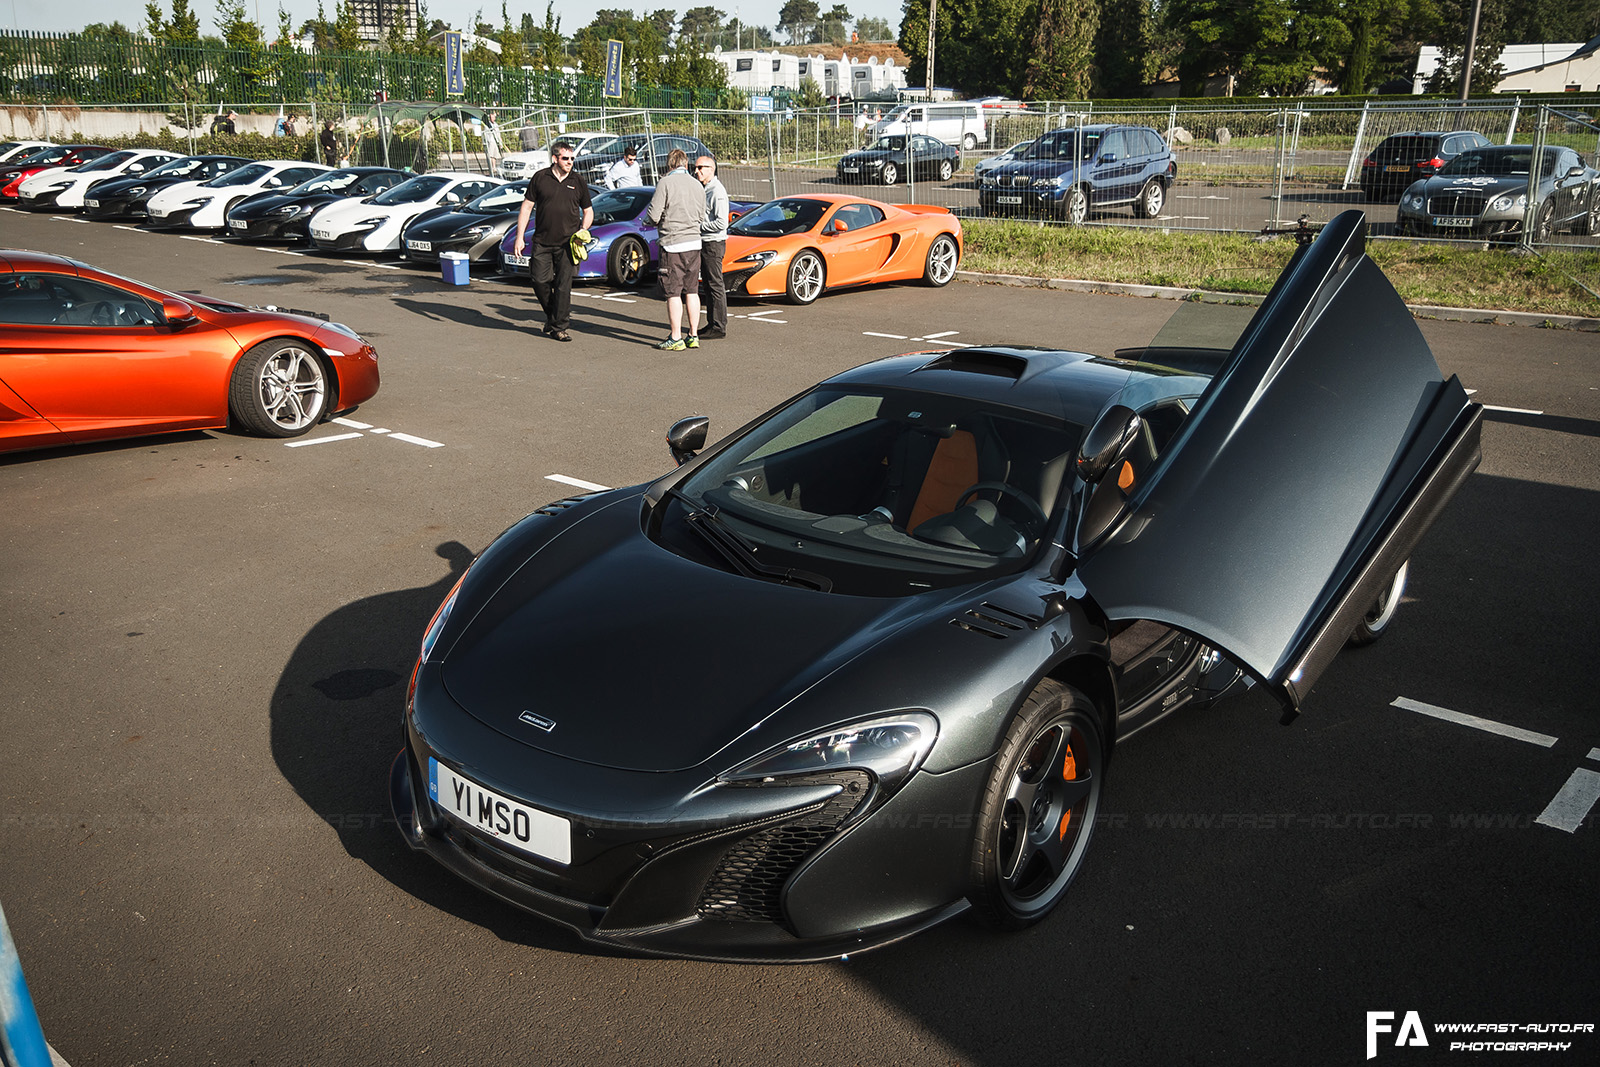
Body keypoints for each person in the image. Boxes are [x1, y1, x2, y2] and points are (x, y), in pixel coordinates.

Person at [513, 140, 594, 342]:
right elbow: (526, 207)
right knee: (539, 281)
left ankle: (559, 327)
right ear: (554, 158)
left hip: (568, 244)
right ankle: (552, 316)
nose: (570, 162)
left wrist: (583, 230)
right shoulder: (541, 178)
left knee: (563, 286)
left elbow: (588, 210)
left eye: (572, 158)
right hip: (542, 241)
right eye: (565, 158)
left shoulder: (578, 180)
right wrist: (519, 237)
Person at [643, 148, 707, 351]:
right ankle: (693, 334)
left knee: (673, 292)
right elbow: (703, 214)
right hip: (694, 242)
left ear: (670, 165)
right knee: (692, 291)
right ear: (686, 165)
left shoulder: (665, 183)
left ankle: (676, 336)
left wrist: (649, 222)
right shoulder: (697, 185)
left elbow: (653, 215)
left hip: (673, 243)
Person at [695, 155, 729, 340]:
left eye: (701, 167)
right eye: (696, 167)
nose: (697, 171)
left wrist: (697, 226)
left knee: (715, 284)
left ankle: (718, 326)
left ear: (711, 169)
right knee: (707, 285)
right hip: (705, 241)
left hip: (713, 243)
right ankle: (712, 323)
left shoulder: (717, 191)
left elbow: (721, 223)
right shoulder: (706, 188)